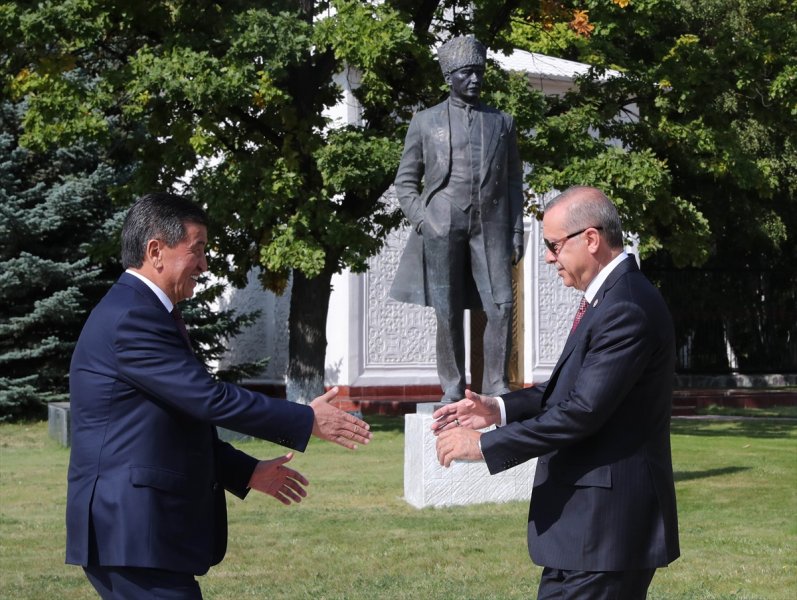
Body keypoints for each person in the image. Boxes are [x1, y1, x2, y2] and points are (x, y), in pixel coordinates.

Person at [66, 192, 372, 599]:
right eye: (198, 250)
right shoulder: (132, 317)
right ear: (155, 250)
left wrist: (244, 472)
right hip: (133, 534)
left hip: (139, 536)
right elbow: (208, 398)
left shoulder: (141, 310)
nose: (205, 266)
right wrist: (306, 419)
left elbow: (175, 422)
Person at [432, 186, 680, 598]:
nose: (547, 257)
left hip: (606, 532)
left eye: (553, 244)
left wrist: (484, 445)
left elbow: (582, 411)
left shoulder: (626, 307)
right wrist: (498, 408)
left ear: (591, 239)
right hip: (586, 532)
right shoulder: (610, 299)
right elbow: (573, 389)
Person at [389, 35, 524, 402]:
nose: (475, 80)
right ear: (450, 77)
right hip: (442, 223)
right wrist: (422, 219)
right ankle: (452, 384)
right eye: (467, 73)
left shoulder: (503, 123)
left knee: (501, 305)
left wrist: (516, 230)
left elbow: (514, 181)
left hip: (492, 225)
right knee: (447, 309)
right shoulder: (424, 121)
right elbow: (405, 182)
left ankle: (496, 384)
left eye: (479, 72)